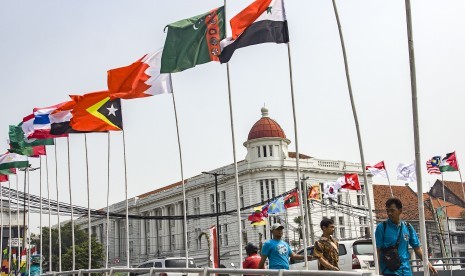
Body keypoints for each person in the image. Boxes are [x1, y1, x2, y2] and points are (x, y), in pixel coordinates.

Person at [375, 198, 437, 276]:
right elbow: (377, 251)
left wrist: (428, 263)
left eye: (392, 210)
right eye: (387, 211)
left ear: (400, 210)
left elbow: (417, 248)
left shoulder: (408, 227)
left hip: (406, 271)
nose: (389, 213)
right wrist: (378, 271)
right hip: (389, 272)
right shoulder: (382, 228)